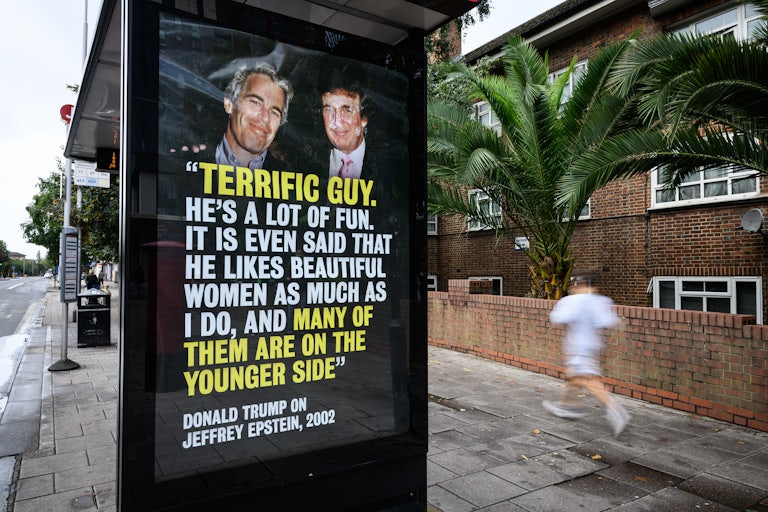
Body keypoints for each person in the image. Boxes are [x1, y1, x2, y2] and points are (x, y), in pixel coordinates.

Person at [542, 271, 630, 436]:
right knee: (575, 377)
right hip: (593, 346)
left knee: (585, 379)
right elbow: (609, 322)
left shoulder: (571, 301)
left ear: (578, 285)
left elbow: (557, 318)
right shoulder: (602, 301)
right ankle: (567, 405)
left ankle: (616, 411)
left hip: (578, 347)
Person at [214, 63, 294, 170]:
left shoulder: (291, 175)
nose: (265, 118)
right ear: (229, 105)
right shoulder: (195, 159)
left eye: (274, 112)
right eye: (256, 102)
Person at [320, 75, 369, 180]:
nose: (337, 122)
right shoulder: (303, 159)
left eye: (347, 111)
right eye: (329, 110)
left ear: (364, 119)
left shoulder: (390, 166)